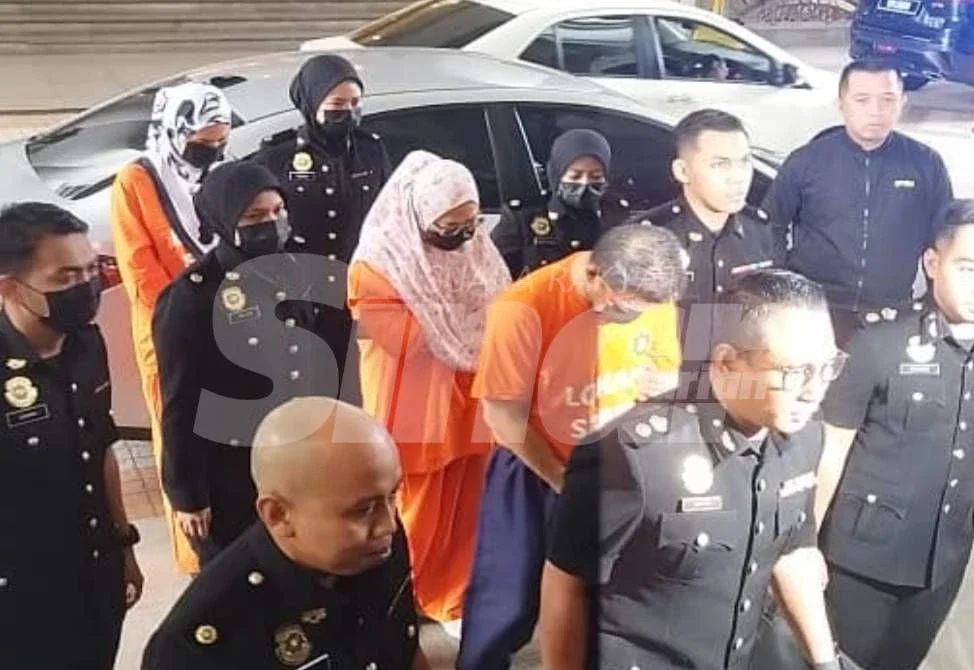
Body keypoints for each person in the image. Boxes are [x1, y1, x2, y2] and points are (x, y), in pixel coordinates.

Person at [540, 269, 850, 670]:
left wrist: (826, 663)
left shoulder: (804, 436)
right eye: (794, 373)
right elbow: (566, 583)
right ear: (726, 362)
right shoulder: (632, 454)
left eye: (828, 367)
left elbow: (789, 551)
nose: (814, 391)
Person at [458, 224, 687, 669]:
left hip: (618, 465)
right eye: (620, 308)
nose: (627, 318)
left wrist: (662, 387)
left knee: (609, 596)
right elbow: (503, 416)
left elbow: (666, 371)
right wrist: (564, 483)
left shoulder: (652, 295)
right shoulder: (522, 308)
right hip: (536, 467)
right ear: (595, 272)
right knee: (506, 599)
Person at [813, 199, 974, 670]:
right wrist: (801, 546)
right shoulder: (879, 342)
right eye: (969, 269)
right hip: (859, 562)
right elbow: (831, 448)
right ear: (933, 263)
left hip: (942, 561)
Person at [347, 150, 511, 635]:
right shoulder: (378, 264)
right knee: (417, 509)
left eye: (470, 224)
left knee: (468, 503)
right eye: (449, 226)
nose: (462, 236)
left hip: (470, 397)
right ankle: (407, 595)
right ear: (420, 216)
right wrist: (460, 319)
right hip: (414, 405)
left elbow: (502, 302)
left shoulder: (475, 248)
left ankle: (452, 597)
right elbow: (405, 338)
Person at [142, 397, 431, 669]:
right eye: (362, 510)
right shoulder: (200, 642)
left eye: (392, 495)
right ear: (278, 515)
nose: (388, 525)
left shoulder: (377, 547)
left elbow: (405, 648)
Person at [153, 161, 334, 566]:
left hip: (296, 460)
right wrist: (187, 494)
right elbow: (180, 402)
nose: (271, 223)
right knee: (242, 581)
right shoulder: (192, 296)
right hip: (230, 469)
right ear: (224, 219)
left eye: (278, 211)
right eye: (254, 216)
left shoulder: (294, 270)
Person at [0, 203, 144, 668]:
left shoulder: (87, 344)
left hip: (94, 575)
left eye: (89, 270)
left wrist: (123, 546)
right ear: (9, 287)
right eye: (65, 278)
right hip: (21, 598)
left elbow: (101, 448)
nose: (84, 287)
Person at [111, 81, 232, 574]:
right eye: (204, 141)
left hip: (227, 322)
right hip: (169, 327)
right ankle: (193, 551)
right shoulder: (136, 181)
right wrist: (191, 312)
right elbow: (140, 269)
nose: (214, 149)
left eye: (221, 139)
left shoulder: (220, 172)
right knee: (179, 429)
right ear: (177, 131)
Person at [764, 58, 953, 347]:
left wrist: (934, 302)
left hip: (892, 313)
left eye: (887, 99)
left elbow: (943, 237)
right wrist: (781, 287)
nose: (875, 111)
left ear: (902, 102)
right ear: (841, 104)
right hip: (813, 310)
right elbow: (769, 225)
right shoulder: (807, 161)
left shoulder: (925, 164)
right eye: (862, 100)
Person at [256, 54, 392, 406]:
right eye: (337, 105)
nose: (348, 112)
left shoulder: (370, 150)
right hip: (306, 300)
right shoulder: (278, 157)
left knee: (361, 398)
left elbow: (389, 218)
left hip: (360, 296)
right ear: (312, 103)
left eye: (355, 103)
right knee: (313, 399)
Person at [629, 109, 774, 402]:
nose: (738, 178)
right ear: (683, 171)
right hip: (670, 400)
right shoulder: (647, 240)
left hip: (742, 395)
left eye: (744, 162)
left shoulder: (759, 231)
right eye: (720, 165)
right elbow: (620, 331)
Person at [491, 128, 626, 279]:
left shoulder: (616, 215)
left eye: (595, 176)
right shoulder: (523, 217)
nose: (585, 183)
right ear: (557, 174)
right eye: (575, 176)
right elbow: (495, 274)